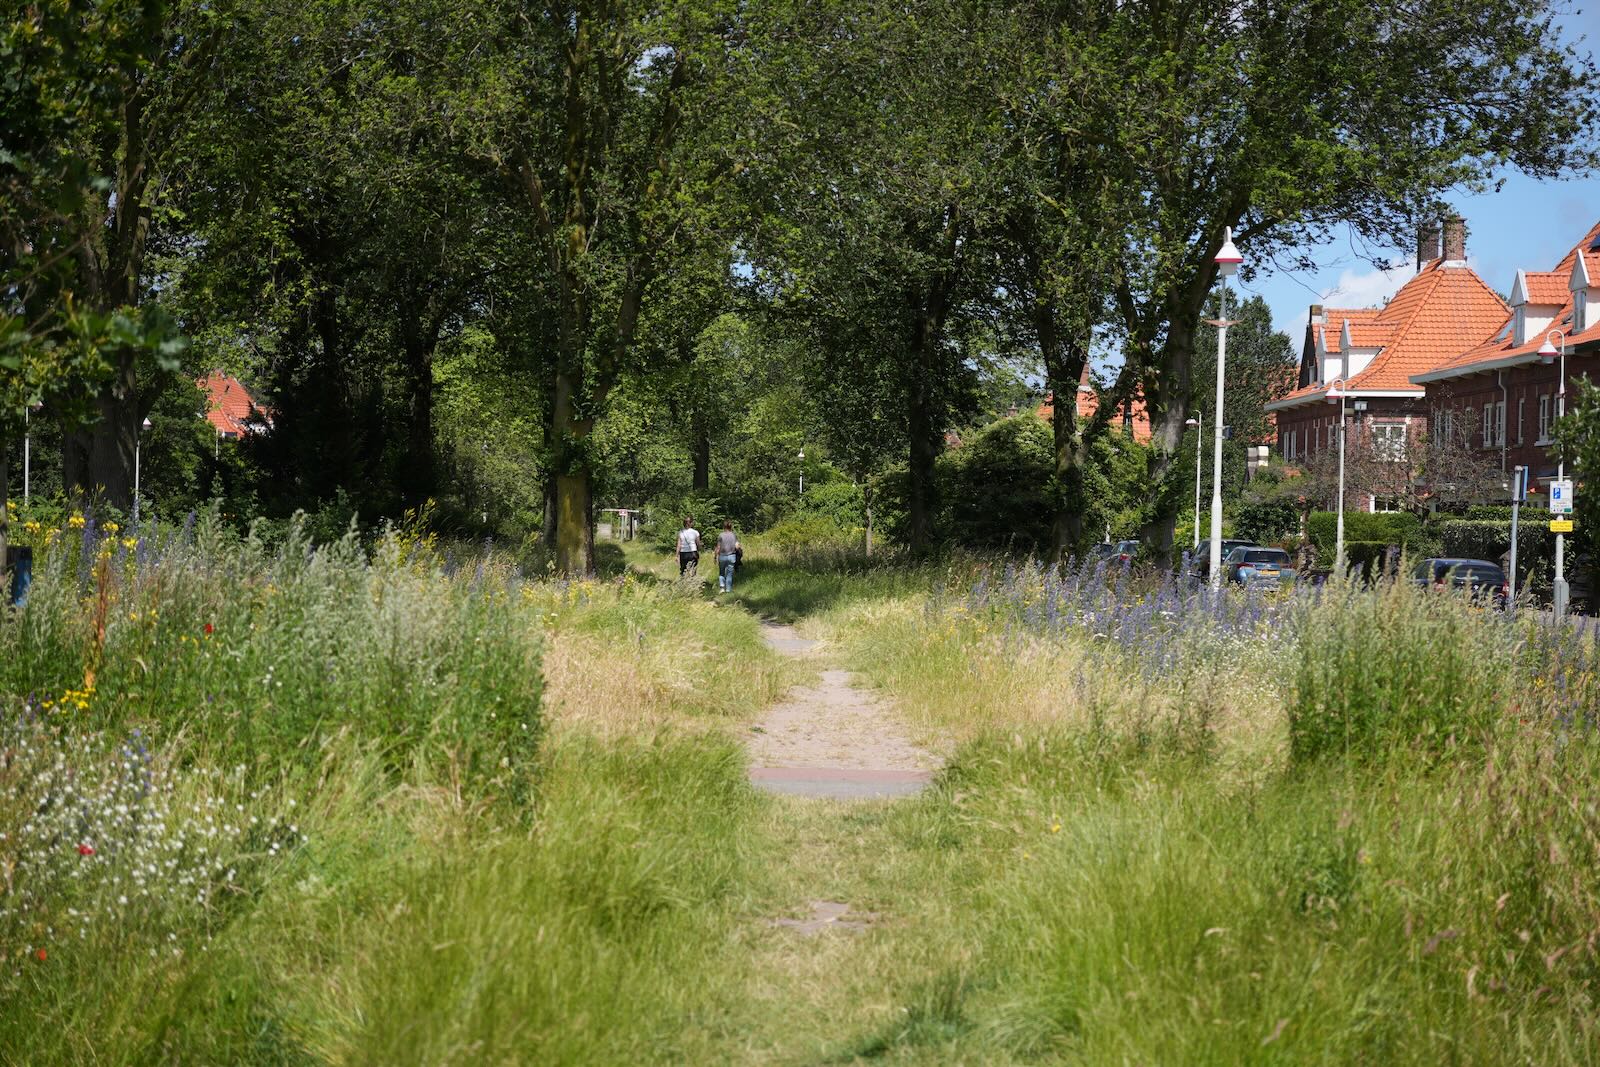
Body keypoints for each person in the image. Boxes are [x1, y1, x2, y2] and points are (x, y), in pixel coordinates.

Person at [716, 520, 741, 593]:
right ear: (731, 526)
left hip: (722, 556)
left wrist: (715, 557)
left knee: (721, 572)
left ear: (724, 527)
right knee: (729, 573)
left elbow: (718, 547)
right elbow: (737, 546)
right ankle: (728, 589)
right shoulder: (734, 535)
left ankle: (722, 588)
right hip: (731, 556)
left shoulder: (721, 535)